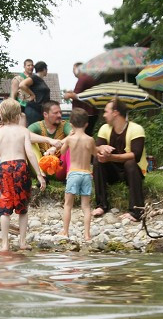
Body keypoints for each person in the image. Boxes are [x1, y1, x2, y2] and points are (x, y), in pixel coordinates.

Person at [0, 98, 44, 251]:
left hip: (5, 167)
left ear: (1, 114)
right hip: (21, 167)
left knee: (4, 207)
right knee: (23, 207)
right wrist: (39, 174)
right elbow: (30, 153)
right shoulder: (23, 131)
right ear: (18, 115)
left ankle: (4, 244)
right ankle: (22, 242)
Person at [92, 99, 147, 222]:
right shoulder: (105, 128)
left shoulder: (136, 129)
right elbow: (95, 149)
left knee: (130, 163)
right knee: (97, 160)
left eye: (106, 112)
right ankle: (101, 205)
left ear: (115, 113)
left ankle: (136, 211)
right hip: (113, 172)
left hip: (132, 173)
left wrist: (111, 157)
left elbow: (135, 155)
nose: (104, 115)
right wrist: (100, 148)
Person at [58, 108, 97, 240]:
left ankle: (65, 231)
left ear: (71, 124)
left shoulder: (70, 139)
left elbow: (62, 152)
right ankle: (87, 234)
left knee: (68, 205)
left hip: (73, 174)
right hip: (86, 174)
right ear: (86, 124)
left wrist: (69, 136)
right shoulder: (90, 140)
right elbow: (95, 154)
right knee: (86, 206)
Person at [28, 100, 72, 180]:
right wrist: (49, 140)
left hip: (60, 169)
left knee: (71, 143)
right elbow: (25, 136)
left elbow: (74, 135)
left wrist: (56, 147)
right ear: (45, 114)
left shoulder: (65, 125)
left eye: (60, 112)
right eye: (55, 113)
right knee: (30, 143)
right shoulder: (38, 126)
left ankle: (69, 175)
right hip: (41, 167)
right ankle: (41, 175)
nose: (59, 115)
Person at [63, 62, 99, 136]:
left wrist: (68, 95)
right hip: (91, 112)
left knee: (80, 135)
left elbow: (77, 95)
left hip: (84, 113)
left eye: (74, 69)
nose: (73, 72)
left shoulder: (82, 79)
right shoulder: (89, 78)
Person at [19, 60, 51, 126]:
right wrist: (32, 94)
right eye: (46, 69)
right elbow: (22, 85)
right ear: (44, 69)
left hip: (40, 109)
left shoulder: (40, 80)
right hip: (34, 110)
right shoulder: (34, 77)